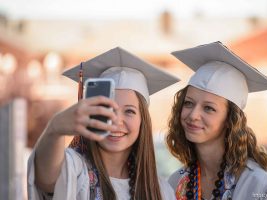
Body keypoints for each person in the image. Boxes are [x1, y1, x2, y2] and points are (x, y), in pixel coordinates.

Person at [27, 47, 179, 200]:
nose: (116, 120)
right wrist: (54, 129)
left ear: (142, 121)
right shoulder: (77, 171)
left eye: (129, 111)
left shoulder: (161, 190)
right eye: (107, 108)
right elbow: (47, 179)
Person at [166, 42, 267, 200]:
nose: (193, 115)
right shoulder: (175, 183)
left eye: (209, 108)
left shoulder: (260, 185)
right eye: (188, 103)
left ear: (231, 119)